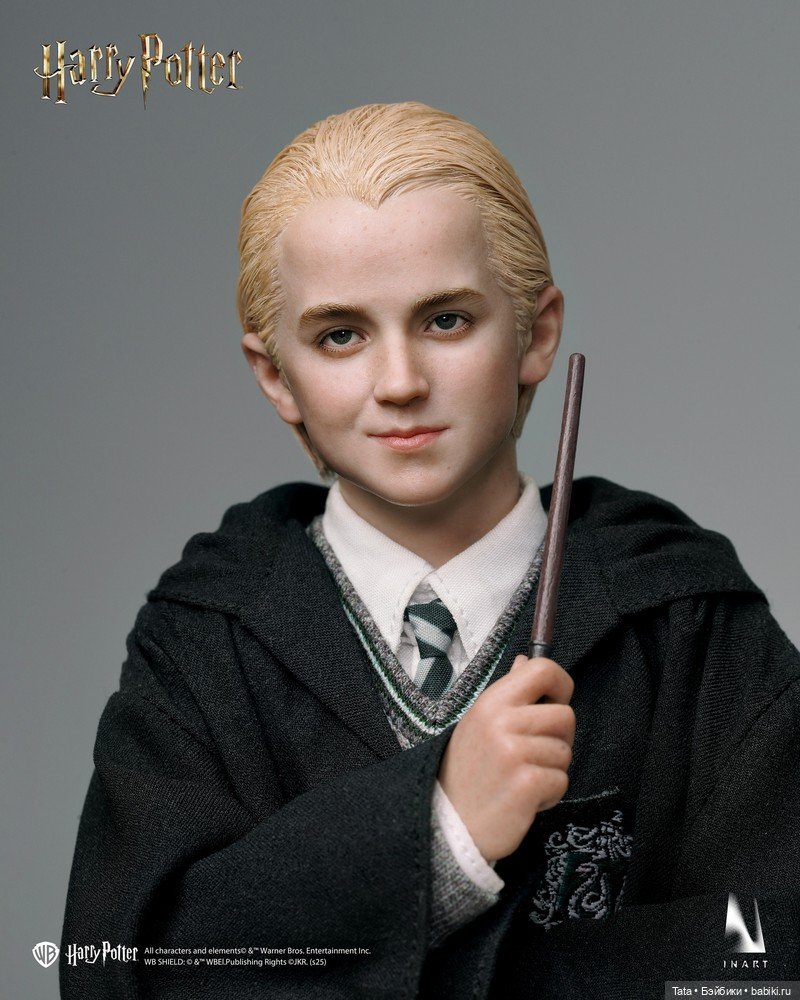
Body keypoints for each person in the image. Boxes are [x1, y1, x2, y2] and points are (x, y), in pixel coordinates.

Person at [60, 102, 800, 1000]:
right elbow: (125, 968)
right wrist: (439, 832)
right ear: (276, 375)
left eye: (446, 320)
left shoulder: (687, 620)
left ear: (536, 332)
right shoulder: (206, 642)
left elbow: (771, 951)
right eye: (340, 336)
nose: (401, 383)